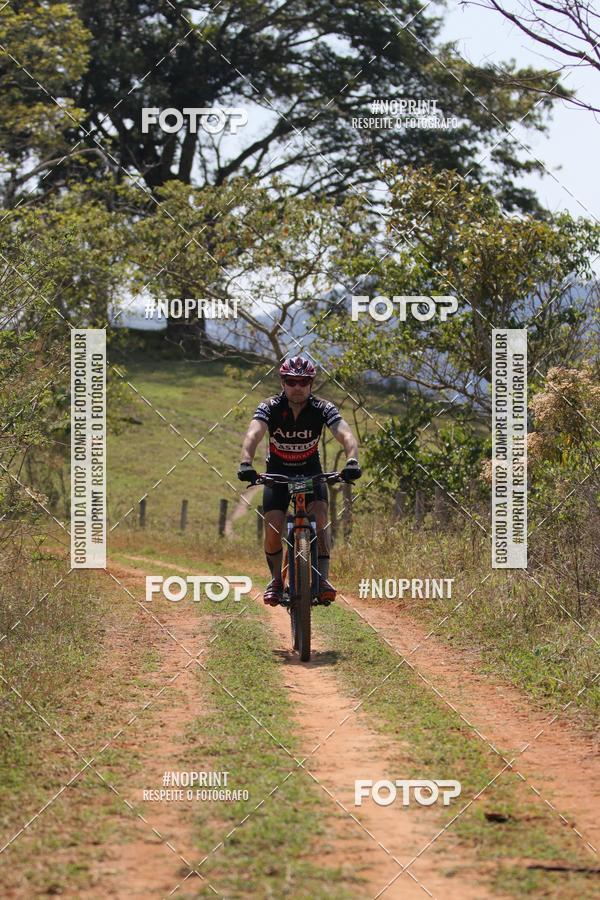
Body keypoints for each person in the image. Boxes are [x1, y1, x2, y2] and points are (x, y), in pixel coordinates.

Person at [237, 355, 361, 605]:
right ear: (283, 382)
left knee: (321, 518)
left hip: (311, 471)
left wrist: (352, 461)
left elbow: (346, 434)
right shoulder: (269, 407)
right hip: (278, 473)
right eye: (291, 381)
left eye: (303, 381)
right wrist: (246, 463)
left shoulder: (323, 408)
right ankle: (275, 580)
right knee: (273, 527)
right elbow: (253, 434)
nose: (297, 387)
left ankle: (322, 579)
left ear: (311, 383)